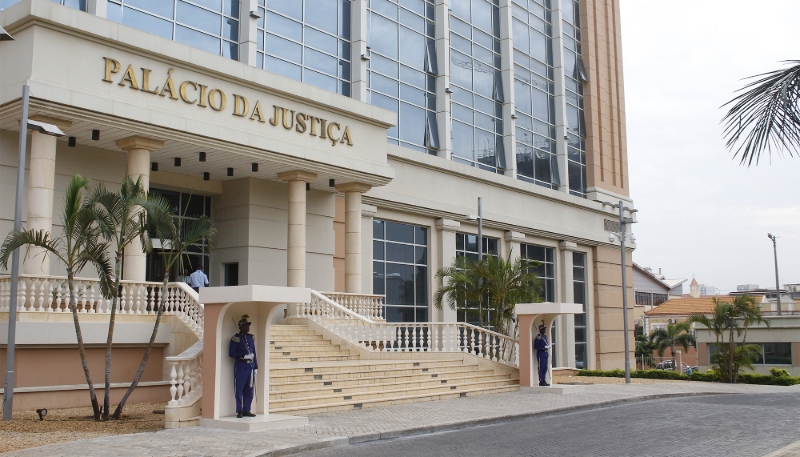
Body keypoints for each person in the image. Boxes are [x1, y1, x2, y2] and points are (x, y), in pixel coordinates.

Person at [229, 315, 258, 418]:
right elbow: (232, 353)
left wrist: (255, 367)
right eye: (245, 326)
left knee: (249, 389)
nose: (248, 327)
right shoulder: (236, 338)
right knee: (239, 389)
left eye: (248, 325)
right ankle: (239, 410)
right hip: (241, 366)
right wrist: (243, 356)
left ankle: (247, 409)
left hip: (250, 366)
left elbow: (254, 352)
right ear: (241, 327)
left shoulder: (250, 338)